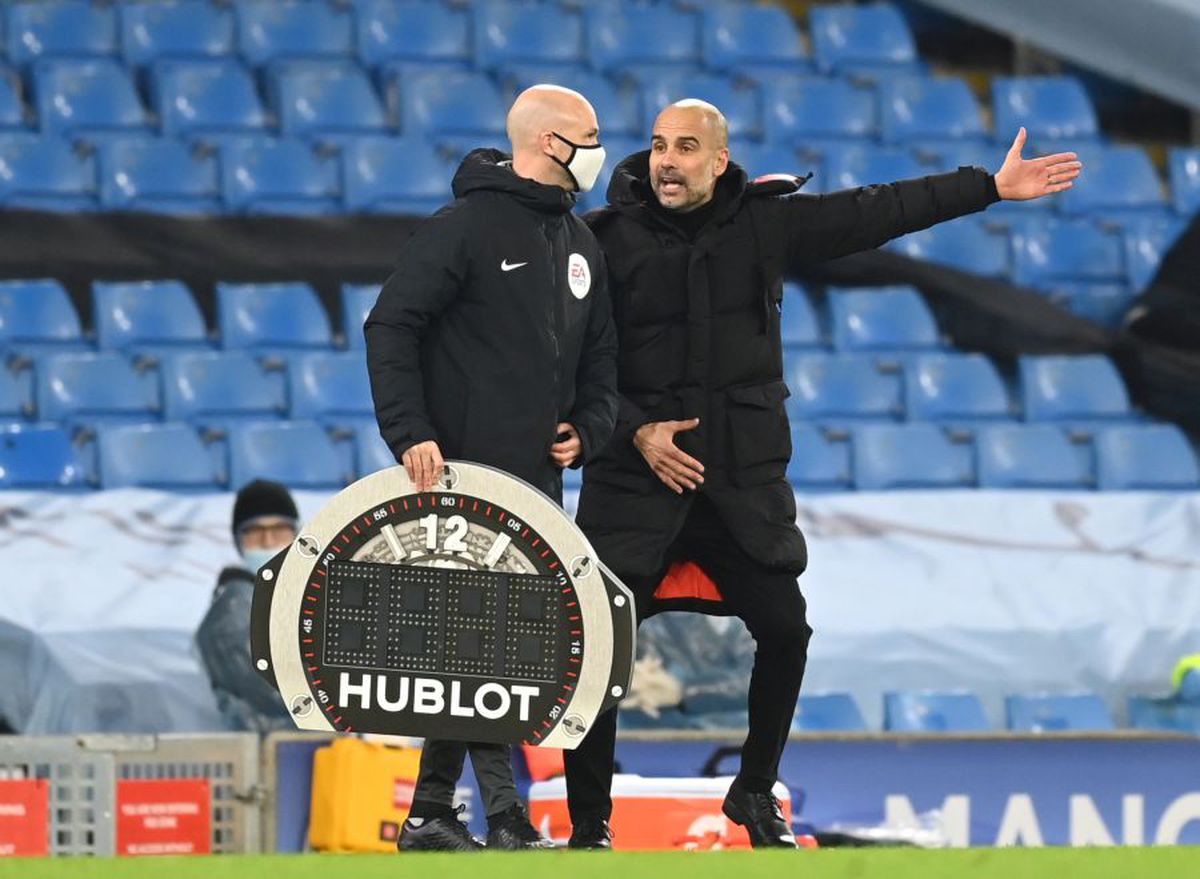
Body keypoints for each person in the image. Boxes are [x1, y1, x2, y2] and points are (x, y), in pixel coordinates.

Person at [563, 100, 1083, 849]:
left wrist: (989, 188)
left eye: (685, 147)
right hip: (634, 485)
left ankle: (753, 790)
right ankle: (589, 824)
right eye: (657, 145)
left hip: (738, 487)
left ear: (718, 160)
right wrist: (637, 429)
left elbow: (876, 211)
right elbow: (575, 362)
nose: (666, 161)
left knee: (786, 630)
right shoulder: (599, 240)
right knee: (596, 649)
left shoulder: (765, 224)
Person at [364, 85, 619, 851]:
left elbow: (602, 362)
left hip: (539, 488)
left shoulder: (581, 243)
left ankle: (429, 812)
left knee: (478, 644)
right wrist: (410, 431)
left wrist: (590, 429)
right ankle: (505, 816)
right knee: (484, 643)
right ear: (547, 142)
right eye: (589, 135)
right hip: (459, 480)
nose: (600, 149)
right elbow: (391, 325)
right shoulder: (464, 227)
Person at [196, 479, 298, 733]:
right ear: (238, 541)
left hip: (319, 747)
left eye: (279, 530)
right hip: (267, 749)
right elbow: (276, 691)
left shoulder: (298, 597)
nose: (268, 541)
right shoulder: (234, 609)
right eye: (254, 532)